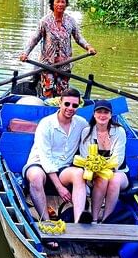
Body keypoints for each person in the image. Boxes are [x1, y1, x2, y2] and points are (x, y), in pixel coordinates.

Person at [23, 88, 91, 226]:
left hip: (63, 168)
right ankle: (47, 222)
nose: (70, 108)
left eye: (74, 105)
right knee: (35, 177)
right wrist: (59, 187)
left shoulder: (82, 123)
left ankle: (78, 222)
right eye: (67, 104)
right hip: (39, 164)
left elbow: (89, 145)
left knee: (79, 173)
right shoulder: (46, 124)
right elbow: (45, 158)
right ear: (60, 102)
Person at [19, 0, 97, 98]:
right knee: (48, 91)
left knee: (63, 93)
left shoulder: (71, 21)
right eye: (58, 2)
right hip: (47, 64)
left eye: (63, 2)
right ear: (52, 4)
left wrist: (89, 47)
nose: (60, 4)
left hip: (65, 64)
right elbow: (35, 39)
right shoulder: (45, 21)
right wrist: (25, 53)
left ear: (66, 4)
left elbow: (79, 38)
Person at [78, 99, 128, 223]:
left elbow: (118, 159)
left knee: (113, 180)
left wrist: (105, 169)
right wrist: (95, 170)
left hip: (118, 172)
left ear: (110, 115)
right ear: (94, 114)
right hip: (92, 172)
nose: (102, 115)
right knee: (102, 179)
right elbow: (85, 158)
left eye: (106, 112)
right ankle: (94, 219)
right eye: (99, 112)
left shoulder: (119, 132)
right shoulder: (87, 132)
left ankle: (106, 220)